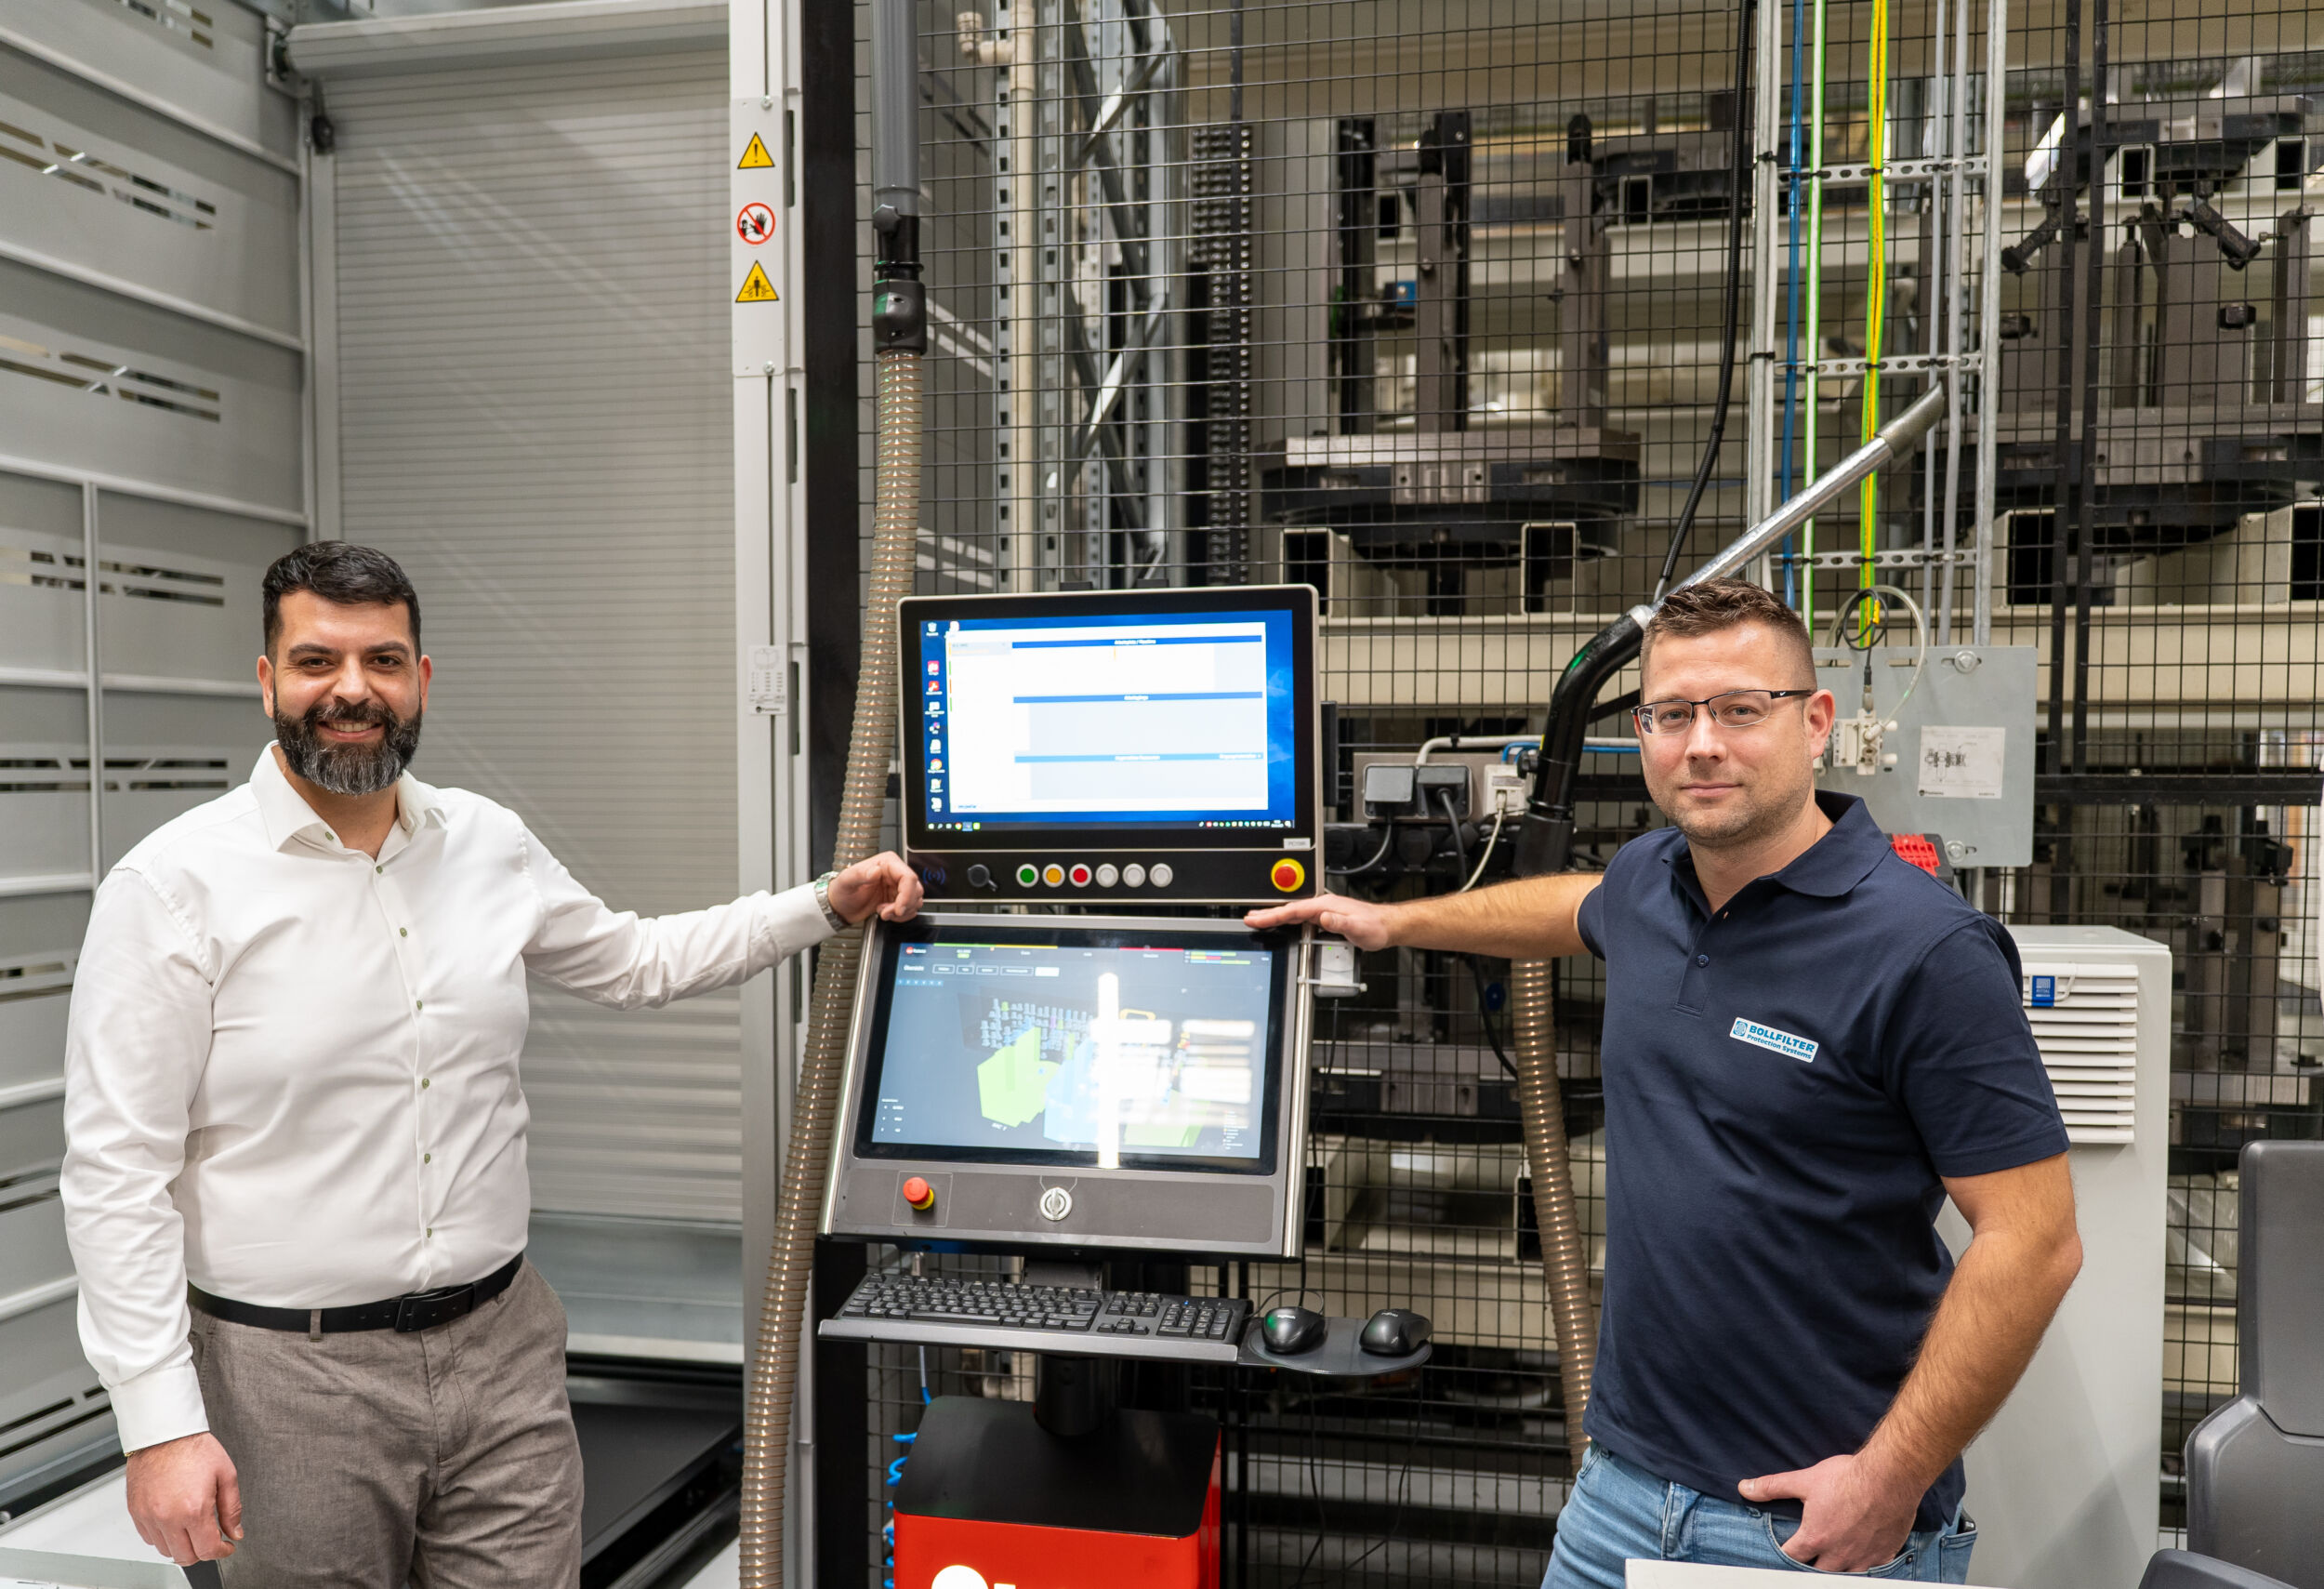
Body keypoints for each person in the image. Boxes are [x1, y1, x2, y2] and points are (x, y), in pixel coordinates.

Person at [62, 541, 922, 1582]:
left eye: (382, 660)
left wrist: (825, 904)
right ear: (267, 680)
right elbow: (116, 1175)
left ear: (420, 680)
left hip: (500, 1350)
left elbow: (638, 960)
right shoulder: (169, 888)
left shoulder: (486, 841)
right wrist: (159, 1424)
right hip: (285, 1380)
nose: (352, 689)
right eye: (316, 660)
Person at [1249, 578, 2080, 1585]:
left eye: (1740, 708)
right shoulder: (1651, 878)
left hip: (1804, 1523)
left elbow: (2033, 1241)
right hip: (1619, 1493)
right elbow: (1572, 906)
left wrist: (1889, 1477)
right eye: (1670, 714)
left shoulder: (1926, 947)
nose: (1702, 744)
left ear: (1814, 721)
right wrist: (1393, 922)